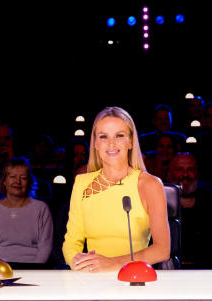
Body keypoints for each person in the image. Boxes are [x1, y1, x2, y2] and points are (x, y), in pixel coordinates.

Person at [62, 107, 170, 272]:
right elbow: (71, 242)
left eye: (119, 136)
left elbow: (162, 250)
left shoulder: (150, 185)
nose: (111, 143)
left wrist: (113, 264)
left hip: (135, 279)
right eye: (103, 137)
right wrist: (77, 261)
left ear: (131, 141)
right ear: (95, 143)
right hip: (92, 278)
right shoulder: (81, 183)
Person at [0, 157, 53, 267]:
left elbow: (45, 247)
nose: (17, 182)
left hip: (34, 268)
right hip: (0, 268)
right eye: (12, 177)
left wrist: (36, 270)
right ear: (4, 181)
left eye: (23, 178)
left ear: (29, 182)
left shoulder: (41, 209)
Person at [167, 153, 212, 268]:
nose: (185, 174)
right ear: (169, 175)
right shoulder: (160, 204)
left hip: (207, 271)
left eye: (190, 169)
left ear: (197, 174)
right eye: (180, 169)